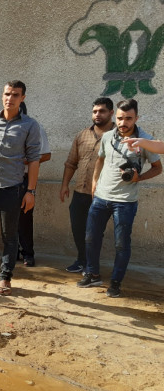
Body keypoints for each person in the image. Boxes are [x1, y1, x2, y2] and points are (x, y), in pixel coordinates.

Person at [78, 99, 162, 297]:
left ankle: (115, 283)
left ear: (136, 118)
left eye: (128, 118)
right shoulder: (107, 136)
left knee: (121, 244)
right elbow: (100, 159)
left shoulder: (145, 140)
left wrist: (139, 178)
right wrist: (94, 182)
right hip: (101, 197)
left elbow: (158, 168)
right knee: (90, 238)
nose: (123, 122)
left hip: (125, 201)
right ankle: (92, 273)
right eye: (120, 118)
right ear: (115, 117)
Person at [0, 80, 41, 296]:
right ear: (2, 95)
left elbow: (34, 160)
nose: (9, 98)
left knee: (9, 237)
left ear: (22, 98)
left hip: (12, 189)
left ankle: (5, 278)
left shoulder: (30, 125)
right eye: (7, 94)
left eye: (15, 95)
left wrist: (30, 191)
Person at [60, 97, 115, 273]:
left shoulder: (117, 136)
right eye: (94, 111)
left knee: (94, 232)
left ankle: (91, 266)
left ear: (111, 113)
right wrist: (64, 185)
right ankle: (82, 260)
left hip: (102, 194)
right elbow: (71, 163)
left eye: (102, 111)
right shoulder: (82, 135)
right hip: (80, 191)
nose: (97, 114)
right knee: (78, 228)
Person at [17, 102, 51, 267]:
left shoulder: (35, 127)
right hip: (6, 178)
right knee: (8, 217)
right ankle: (12, 252)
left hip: (25, 178)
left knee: (24, 217)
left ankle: (27, 253)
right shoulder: (4, 128)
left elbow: (46, 155)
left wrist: (25, 160)